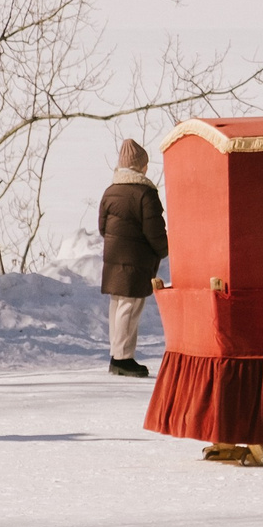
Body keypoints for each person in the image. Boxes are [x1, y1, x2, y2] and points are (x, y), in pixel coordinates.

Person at [99, 140, 169, 380]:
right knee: (130, 308)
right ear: (142, 166)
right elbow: (155, 231)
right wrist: (164, 249)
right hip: (136, 261)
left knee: (118, 306)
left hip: (114, 259)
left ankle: (117, 354)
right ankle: (123, 359)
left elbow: (102, 227)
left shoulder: (110, 191)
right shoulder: (145, 193)